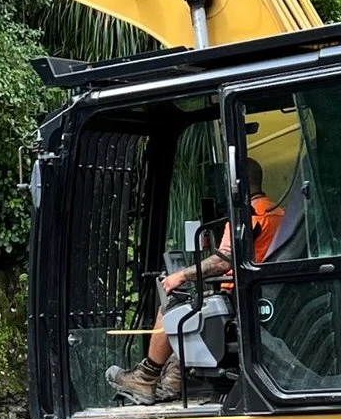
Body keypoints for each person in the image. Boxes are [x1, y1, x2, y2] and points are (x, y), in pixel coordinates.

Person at [107, 159, 286, 405]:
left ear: (238, 183)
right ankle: (173, 379)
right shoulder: (277, 212)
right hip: (263, 291)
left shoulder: (247, 216)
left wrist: (182, 275)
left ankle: (145, 377)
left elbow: (224, 261)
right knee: (191, 308)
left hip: (238, 295)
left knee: (172, 306)